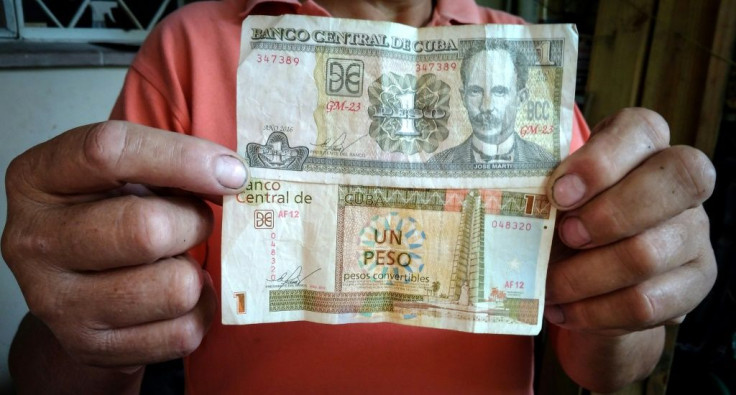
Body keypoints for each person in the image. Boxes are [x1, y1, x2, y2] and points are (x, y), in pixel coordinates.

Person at [2, 0, 717, 394]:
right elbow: (61, 365)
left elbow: (601, 363)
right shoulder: (190, 47)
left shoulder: (523, 58)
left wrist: (634, 302)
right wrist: (76, 319)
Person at [430, 41, 554, 164]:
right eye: (475, 91)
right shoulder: (437, 165)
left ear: (521, 98)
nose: (486, 107)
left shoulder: (547, 162)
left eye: (499, 92)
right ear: (464, 97)